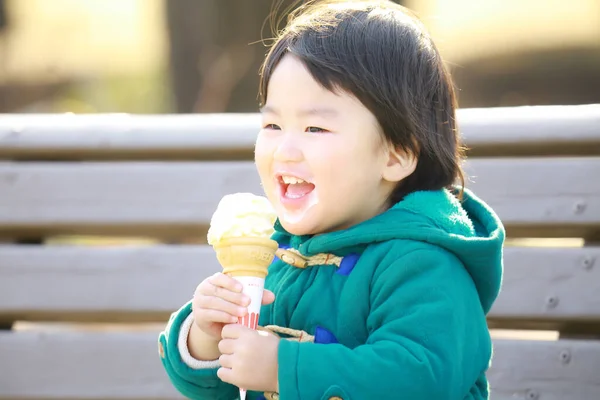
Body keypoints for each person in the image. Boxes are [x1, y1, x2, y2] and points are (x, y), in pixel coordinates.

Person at [158, 0, 504, 399]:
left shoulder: (424, 264)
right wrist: (205, 337)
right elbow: (226, 390)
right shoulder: (277, 253)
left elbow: (420, 378)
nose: (285, 150)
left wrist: (282, 368)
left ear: (395, 155)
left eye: (315, 128)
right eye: (272, 124)